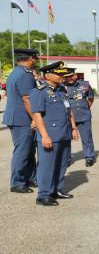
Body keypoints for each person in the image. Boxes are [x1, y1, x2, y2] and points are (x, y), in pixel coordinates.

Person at [29, 61, 79, 206]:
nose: (62, 76)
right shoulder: (39, 91)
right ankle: (43, 194)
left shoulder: (62, 90)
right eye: (58, 74)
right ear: (48, 75)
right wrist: (44, 135)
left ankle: (57, 189)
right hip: (50, 135)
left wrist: (74, 128)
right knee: (47, 165)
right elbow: (37, 115)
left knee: (62, 164)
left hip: (64, 133)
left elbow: (68, 111)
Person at [3, 48, 39, 193]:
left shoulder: (16, 72)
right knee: (23, 151)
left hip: (18, 117)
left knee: (29, 150)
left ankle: (30, 177)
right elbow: (27, 99)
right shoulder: (25, 75)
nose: (36, 60)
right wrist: (35, 118)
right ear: (30, 59)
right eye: (35, 58)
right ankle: (17, 182)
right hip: (22, 118)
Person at [64, 68, 96, 166]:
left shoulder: (85, 85)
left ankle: (89, 156)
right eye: (67, 77)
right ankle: (67, 158)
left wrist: (86, 107)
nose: (69, 78)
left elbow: (90, 98)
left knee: (87, 137)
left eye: (71, 76)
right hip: (68, 116)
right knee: (66, 139)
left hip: (83, 115)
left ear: (75, 75)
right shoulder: (61, 87)